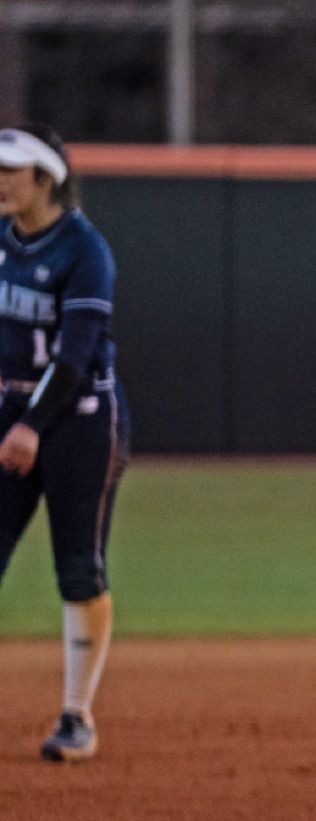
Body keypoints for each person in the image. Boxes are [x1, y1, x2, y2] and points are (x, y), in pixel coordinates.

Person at [0, 126, 129, 764]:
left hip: (78, 419)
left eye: (10, 171)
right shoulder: (1, 240)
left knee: (78, 567)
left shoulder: (85, 251)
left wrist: (29, 424)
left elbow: (74, 359)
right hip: (11, 410)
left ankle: (77, 716)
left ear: (45, 180)